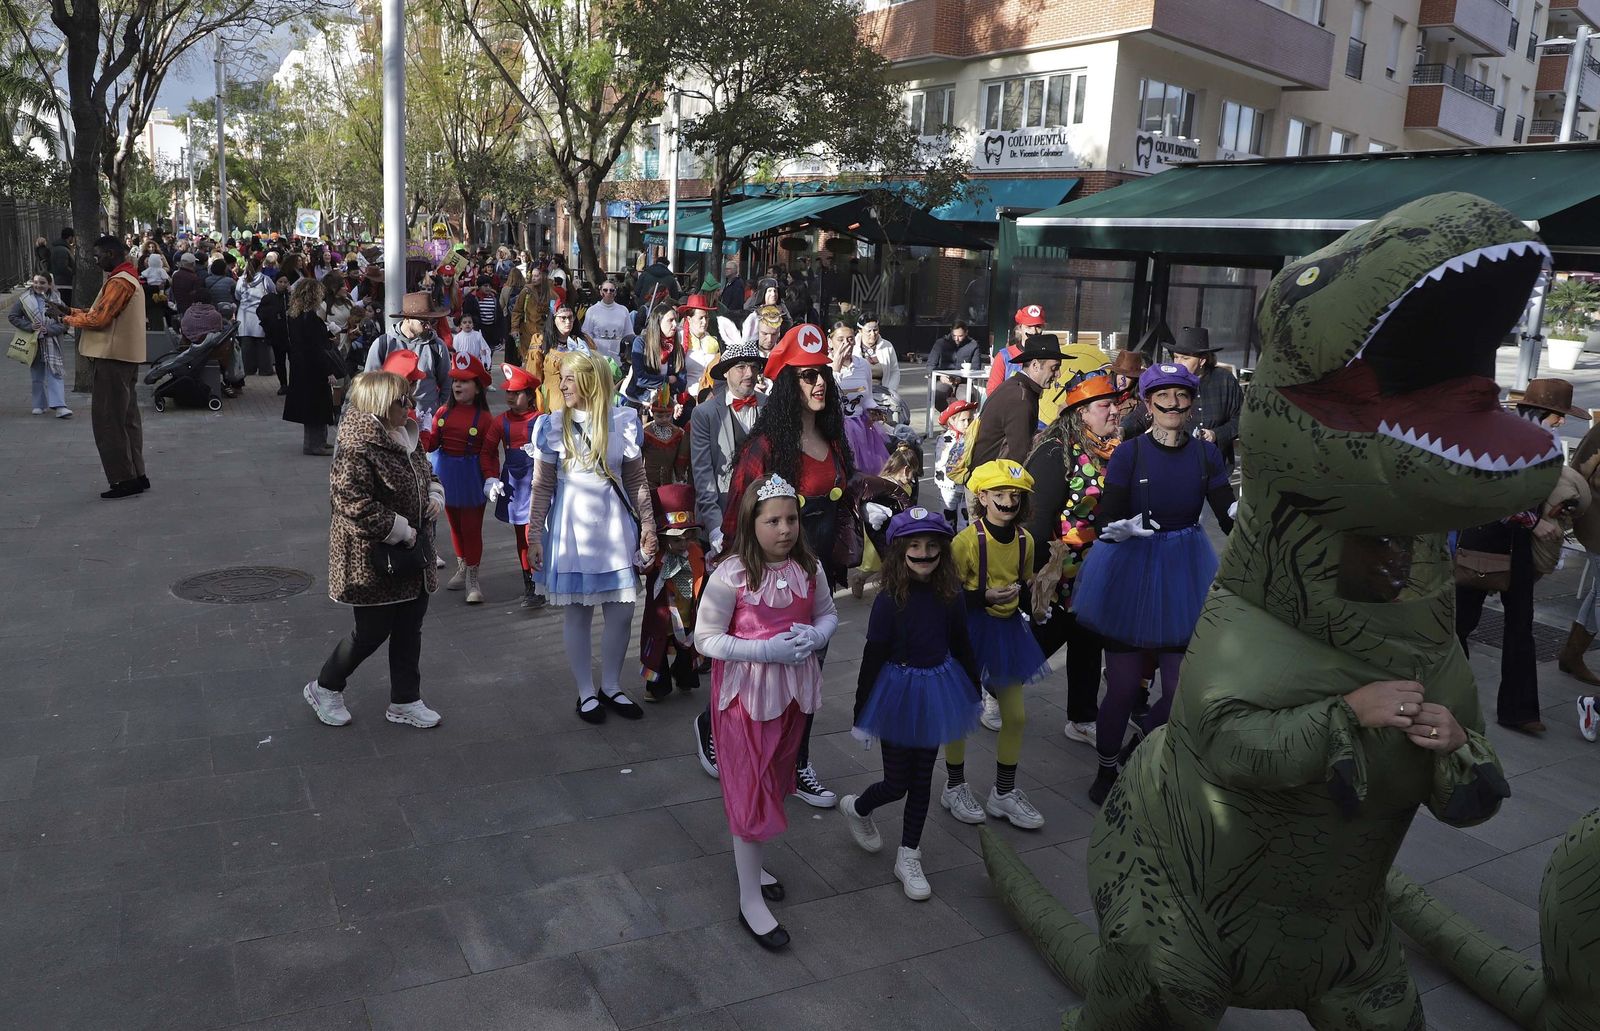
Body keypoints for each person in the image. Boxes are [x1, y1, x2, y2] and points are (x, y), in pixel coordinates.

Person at [700, 324, 853, 806]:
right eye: (807, 377)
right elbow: (738, 514)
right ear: (789, 384)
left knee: (809, 669)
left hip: (815, 572)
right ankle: (713, 725)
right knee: (756, 676)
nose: (818, 384)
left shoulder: (834, 436)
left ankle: (796, 763)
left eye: (822, 374)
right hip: (765, 579)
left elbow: (842, 496)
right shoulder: (764, 448)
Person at [1071, 363, 1235, 804]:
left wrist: (1251, 516)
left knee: (1182, 690)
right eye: (1163, 395)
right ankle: (1106, 771)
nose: (1173, 404)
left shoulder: (1206, 454)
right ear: (1148, 403)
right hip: (1131, 567)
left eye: (1181, 395)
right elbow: (1106, 515)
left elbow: (1227, 512)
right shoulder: (1130, 453)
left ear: (1191, 402)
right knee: (1123, 687)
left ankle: (1140, 744)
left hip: (1185, 570)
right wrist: (1117, 528)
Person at [693, 473, 837, 949]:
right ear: (751, 524)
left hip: (792, 696)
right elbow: (705, 638)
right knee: (750, 789)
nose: (785, 529)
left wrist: (816, 637)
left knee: (774, 781)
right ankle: (748, 899)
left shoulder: (809, 567)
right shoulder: (730, 574)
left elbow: (826, 614)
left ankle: (751, 863)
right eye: (772, 520)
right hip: (745, 699)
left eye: (792, 518)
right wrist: (763, 651)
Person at [842, 507, 981, 901]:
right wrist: (861, 714)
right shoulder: (889, 600)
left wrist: (973, 689)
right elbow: (873, 655)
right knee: (897, 782)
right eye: (915, 546)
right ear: (900, 552)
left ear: (943, 550)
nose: (924, 553)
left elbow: (962, 645)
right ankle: (858, 807)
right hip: (898, 691)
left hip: (938, 686)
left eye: (932, 545)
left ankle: (908, 854)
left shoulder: (950, 595)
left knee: (923, 779)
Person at [302, 369, 445, 731]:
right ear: (381, 404)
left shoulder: (405, 433)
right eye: (402, 400)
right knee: (371, 631)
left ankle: (405, 700)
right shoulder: (356, 444)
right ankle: (325, 687)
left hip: (412, 556)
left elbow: (428, 473)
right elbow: (349, 501)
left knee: (410, 627)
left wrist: (434, 495)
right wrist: (400, 529)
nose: (409, 405)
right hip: (372, 560)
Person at [525, 351, 658, 723]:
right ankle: (586, 691)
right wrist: (534, 535)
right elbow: (542, 485)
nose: (562, 385)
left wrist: (648, 525)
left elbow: (636, 481)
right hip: (573, 532)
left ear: (590, 380)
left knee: (622, 611)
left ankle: (611, 685)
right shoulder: (552, 425)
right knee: (578, 612)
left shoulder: (624, 421)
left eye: (569, 378)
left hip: (616, 529)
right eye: (561, 379)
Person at [1456, 377, 1588, 735]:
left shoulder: (1546, 442)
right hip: (1486, 538)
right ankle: (1447, 696)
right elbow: (1486, 491)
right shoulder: (1507, 437)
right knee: (1460, 624)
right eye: (1557, 414)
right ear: (1541, 411)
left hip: (1516, 545)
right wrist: (1533, 523)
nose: (1561, 422)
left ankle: (1519, 711)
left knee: (1520, 627)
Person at [942, 459, 1050, 829]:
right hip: (969, 631)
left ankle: (1003, 793)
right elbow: (947, 595)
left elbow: (1025, 581)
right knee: (963, 711)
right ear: (982, 497)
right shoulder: (966, 542)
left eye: (1015, 495)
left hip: (1006, 634)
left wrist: (1037, 597)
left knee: (1016, 716)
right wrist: (982, 596)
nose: (1008, 501)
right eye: (1000, 494)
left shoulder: (1026, 540)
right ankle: (954, 786)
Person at [1023, 370, 1125, 748]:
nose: (1115, 411)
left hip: (1101, 565)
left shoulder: (1114, 447)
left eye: (1116, 404)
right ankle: (993, 687)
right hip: (1061, 567)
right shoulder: (1055, 450)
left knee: (1089, 639)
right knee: (1047, 637)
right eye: (1105, 405)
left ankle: (1082, 717)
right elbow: (1037, 516)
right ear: (1081, 412)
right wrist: (1032, 574)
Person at [65, 235, 147, 499]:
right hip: (124, 357)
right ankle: (137, 474)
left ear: (112, 254)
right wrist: (71, 311)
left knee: (109, 421)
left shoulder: (120, 281)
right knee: (127, 419)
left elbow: (99, 318)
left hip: (113, 359)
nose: (95, 259)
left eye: (98, 255)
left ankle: (123, 479)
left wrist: (66, 317)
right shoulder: (128, 277)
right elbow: (100, 312)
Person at [424, 352, 497, 605]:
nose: (457, 385)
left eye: (464, 381)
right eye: (455, 380)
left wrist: (491, 479)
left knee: (471, 527)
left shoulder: (486, 418)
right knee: (454, 525)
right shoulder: (442, 413)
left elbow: (489, 454)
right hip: (446, 476)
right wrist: (421, 429)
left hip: (471, 477)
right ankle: (462, 567)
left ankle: (473, 579)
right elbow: (432, 443)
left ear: (477, 388)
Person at [1121, 327, 1244, 465]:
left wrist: (1216, 434)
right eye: (1176, 357)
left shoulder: (1225, 381)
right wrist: (1122, 430)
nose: (1178, 363)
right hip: (1176, 462)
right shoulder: (1169, 380)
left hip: (1215, 464)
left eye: (1185, 358)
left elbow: (1241, 420)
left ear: (1202, 360)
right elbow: (1142, 413)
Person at [689, 339, 767, 555]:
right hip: (722, 514)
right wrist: (715, 527)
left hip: (762, 514)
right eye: (741, 367)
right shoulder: (704, 414)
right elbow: (703, 474)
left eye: (753, 366)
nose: (749, 373)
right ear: (725, 372)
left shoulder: (770, 406)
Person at [482, 363, 545, 610]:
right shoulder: (500, 422)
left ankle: (545, 579)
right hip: (515, 488)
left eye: (515, 392)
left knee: (538, 534)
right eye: (508, 392)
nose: (509, 396)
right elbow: (487, 452)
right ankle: (530, 583)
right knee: (523, 536)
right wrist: (490, 478)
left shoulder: (543, 420)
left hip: (539, 486)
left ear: (529, 395)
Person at [639, 483, 708, 700]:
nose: (683, 544)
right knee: (657, 651)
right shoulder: (657, 556)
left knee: (686, 650)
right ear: (663, 537)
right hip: (662, 618)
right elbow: (642, 566)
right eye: (676, 539)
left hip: (687, 614)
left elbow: (706, 573)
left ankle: (685, 677)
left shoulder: (697, 553)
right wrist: (645, 553)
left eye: (688, 537)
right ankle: (657, 687)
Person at [967, 334, 1065, 468]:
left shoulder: (1016, 387)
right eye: (1054, 368)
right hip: (991, 483)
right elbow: (1022, 455)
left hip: (989, 476)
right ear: (1035, 365)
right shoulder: (1021, 398)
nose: (1058, 374)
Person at [366, 292, 453, 423]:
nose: (428, 326)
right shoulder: (383, 344)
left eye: (432, 321)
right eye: (423, 322)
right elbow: (369, 385)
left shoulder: (437, 345)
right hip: (392, 422)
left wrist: (439, 411)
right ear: (407, 318)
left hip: (427, 420)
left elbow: (447, 382)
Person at [283, 277, 343, 456]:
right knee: (317, 407)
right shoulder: (310, 318)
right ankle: (314, 445)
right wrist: (328, 370)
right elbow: (317, 348)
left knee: (314, 406)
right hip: (313, 369)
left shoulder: (296, 316)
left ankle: (319, 442)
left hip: (302, 367)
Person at [829, 319, 890, 477]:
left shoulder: (862, 365)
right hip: (836, 426)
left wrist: (875, 410)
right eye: (840, 340)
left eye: (850, 339)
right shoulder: (825, 367)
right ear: (831, 341)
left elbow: (867, 397)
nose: (846, 344)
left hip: (861, 424)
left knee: (866, 472)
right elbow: (829, 397)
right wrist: (836, 367)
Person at [9, 272, 73, 418]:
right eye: (36, 282)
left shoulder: (57, 300)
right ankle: (39, 404)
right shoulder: (24, 299)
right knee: (37, 375)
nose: (38, 285)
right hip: (34, 343)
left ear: (50, 284)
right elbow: (13, 317)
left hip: (53, 343)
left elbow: (65, 323)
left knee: (55, 372)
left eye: (42, 282)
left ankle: (60, 406)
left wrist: (49, 330)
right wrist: (29, 326)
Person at [625, 303, 685, 409]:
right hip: (639, 403)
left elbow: (681, 383)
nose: (675, 324)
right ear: (658, 322)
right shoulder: (641, 343)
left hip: (664, 405)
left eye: (676, 319)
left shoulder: (677, 348)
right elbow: (640, 379)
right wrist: (667, 380)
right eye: (670, 320)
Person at [932, 400, 978, 529]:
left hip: (965, 485)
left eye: (969, 420)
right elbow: (943, 461)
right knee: (947, 516)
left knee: (965, 518)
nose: (967, 424)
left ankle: (963, 541)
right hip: (948, 486)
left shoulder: (972, 437)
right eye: (962, 420)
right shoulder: (945, 439)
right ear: (952, 421)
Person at [985, 304, 1047, 394]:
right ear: (1019, 329)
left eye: (1038, 327)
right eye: (1029, 327)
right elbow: (992, 391)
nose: (1034, 331)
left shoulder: (1047, 356)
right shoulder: (1005, 356)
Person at [926, 321, 984, 411]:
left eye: (960, 336)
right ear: (951, 332)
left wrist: (960, 379)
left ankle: (959, 420)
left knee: (968, 397)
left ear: (966, 333)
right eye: (954, 335)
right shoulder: (940, 343)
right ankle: (949, 419)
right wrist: (941, 377)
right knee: (937, 395)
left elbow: (976, 369)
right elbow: (930, 365)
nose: (957, 339)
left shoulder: (973, 345)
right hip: (944, 380)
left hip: (963, 381)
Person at [235, 255, 273, 378]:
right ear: (260, 266)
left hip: (244, 315)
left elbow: (237, 295)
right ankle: (265, 369)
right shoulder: (265, 279)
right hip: (260, 314)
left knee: (246, 345)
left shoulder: (241, 280)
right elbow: (273, 292)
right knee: (262, 344)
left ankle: (248, 369)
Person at [582, 279, 633, 360]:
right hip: (598, 354)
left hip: (618, 353)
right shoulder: (592, 310)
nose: (608, 292)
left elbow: (628, 333)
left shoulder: (623, 310)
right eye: (605, 290)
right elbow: (586, 333)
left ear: (615, 293)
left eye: (611, 290)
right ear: (601, 292)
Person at [260, 276, 292, 395]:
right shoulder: (269, 298)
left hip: (292, 335)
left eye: (285, 282)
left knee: (294, 360)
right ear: (275, 283)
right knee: (280, 361)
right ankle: (283, 384)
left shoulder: (291, 298)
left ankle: (294, 384)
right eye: (280, 282)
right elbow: (262, 314)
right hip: (277, 335)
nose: (283, 284)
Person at [858, 315, 900, 395]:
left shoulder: (887, 346)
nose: (873, 334)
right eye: (869, 331)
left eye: (875, 330)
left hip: (883, 392)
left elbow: (894, 371)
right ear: (860, 331)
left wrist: (890, 391)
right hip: (859, 394)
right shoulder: (853, 347)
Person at [140, 253, 171, 330]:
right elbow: (143, 288)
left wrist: (164, 283)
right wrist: (157, 287)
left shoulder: (159, 271)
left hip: (159, 304)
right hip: (149, 304)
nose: (147, 263)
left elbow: (167, 281)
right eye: (146, 261)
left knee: (158, 326)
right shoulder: (142, 274)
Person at [49, 227, 76, 308]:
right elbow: (63, 267)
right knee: (65, 306)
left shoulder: (61, 248)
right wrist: (73, 274)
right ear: (70, 237)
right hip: (64, 284)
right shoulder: (62, 250)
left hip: (62, 283)